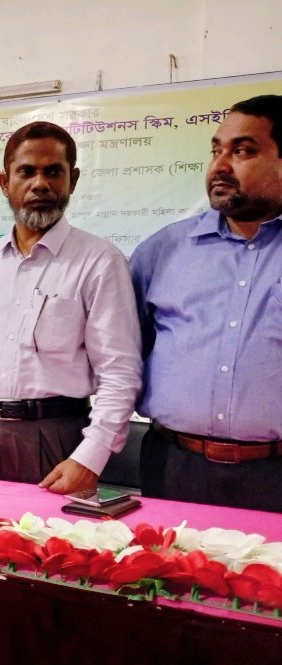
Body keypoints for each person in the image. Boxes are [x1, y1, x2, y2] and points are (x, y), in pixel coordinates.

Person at [0, 121, 141, 495]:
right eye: (26, 172)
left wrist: (91, 456)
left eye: (53, 172)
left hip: (58, 440)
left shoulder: (99, 260)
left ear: (72, 181)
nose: (40, 184)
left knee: (55, 535)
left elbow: (119, 370)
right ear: (4, 182)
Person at [130, 94, 282, 511]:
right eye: (216, 151)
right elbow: (124, 353)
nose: (220, 166)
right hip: (174, 465)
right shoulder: (162, 251)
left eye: (243, 151)